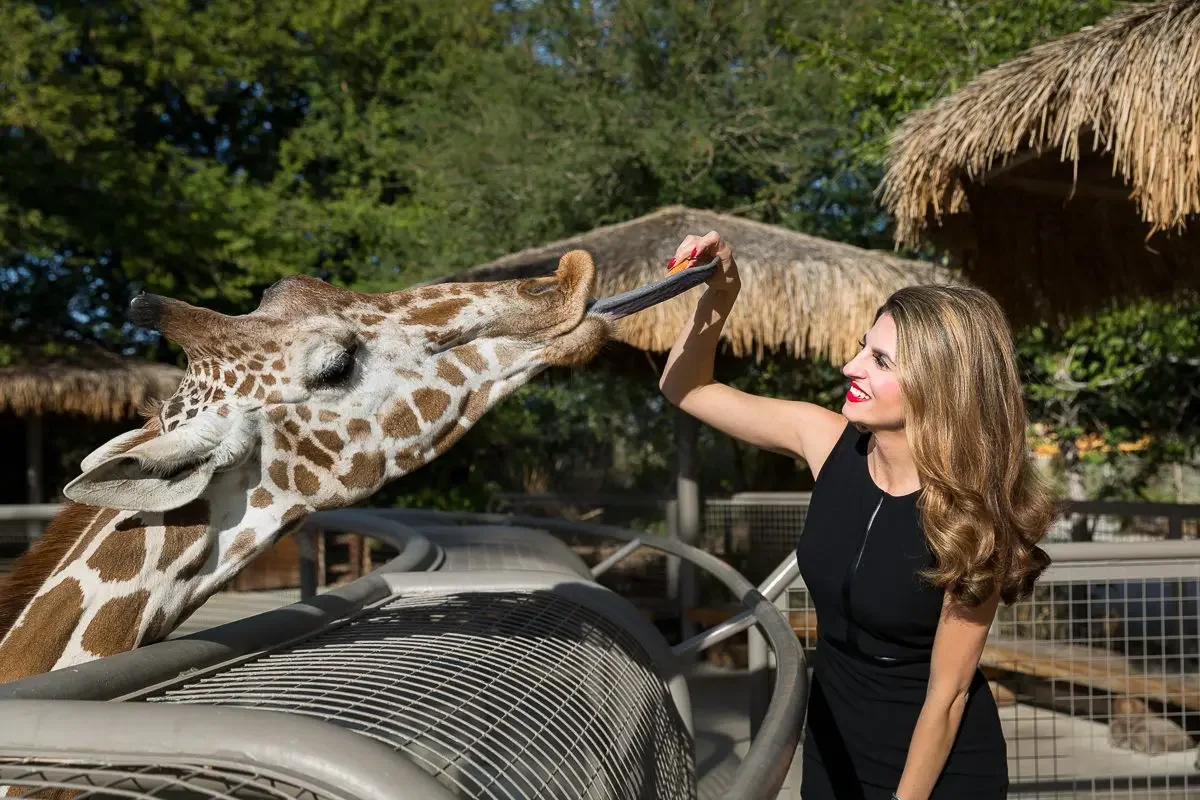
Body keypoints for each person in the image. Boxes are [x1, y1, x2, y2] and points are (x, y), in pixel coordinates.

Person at [658, 230, 1055, 800]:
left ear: (938, 384)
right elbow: (685, 388)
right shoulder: (826, 441)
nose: (850, 365)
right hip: (831, 744)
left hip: (935, 771)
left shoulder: (972, 519)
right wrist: (720, 293)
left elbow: (947, 696)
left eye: (879, 358)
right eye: (861, 347)